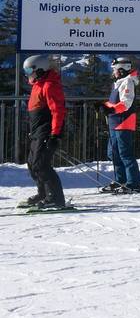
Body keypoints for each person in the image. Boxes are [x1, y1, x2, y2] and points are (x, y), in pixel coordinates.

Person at [20, 55, 68, 210]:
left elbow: (58, 111)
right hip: (37, 131)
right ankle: (43, 193)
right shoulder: (38, 84)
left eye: (29, 70)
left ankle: (55, 198)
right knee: (32, 164)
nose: (27, 74)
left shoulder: (49, 85)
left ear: (40, 69)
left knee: (41, 164)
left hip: (47, 130)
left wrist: (55, 134)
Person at [102, 57, 140, 192]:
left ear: (121, 70)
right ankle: (120, 180)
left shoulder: (128, 82)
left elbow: (126, 103)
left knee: (125, 153)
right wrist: (104, 106)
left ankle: (134, 183)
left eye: (115, 69)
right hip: (114, 122)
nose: (113, 72)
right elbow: (114, 102)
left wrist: (110, 110)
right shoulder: (118, 83)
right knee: (113, 153)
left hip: (124, 121)